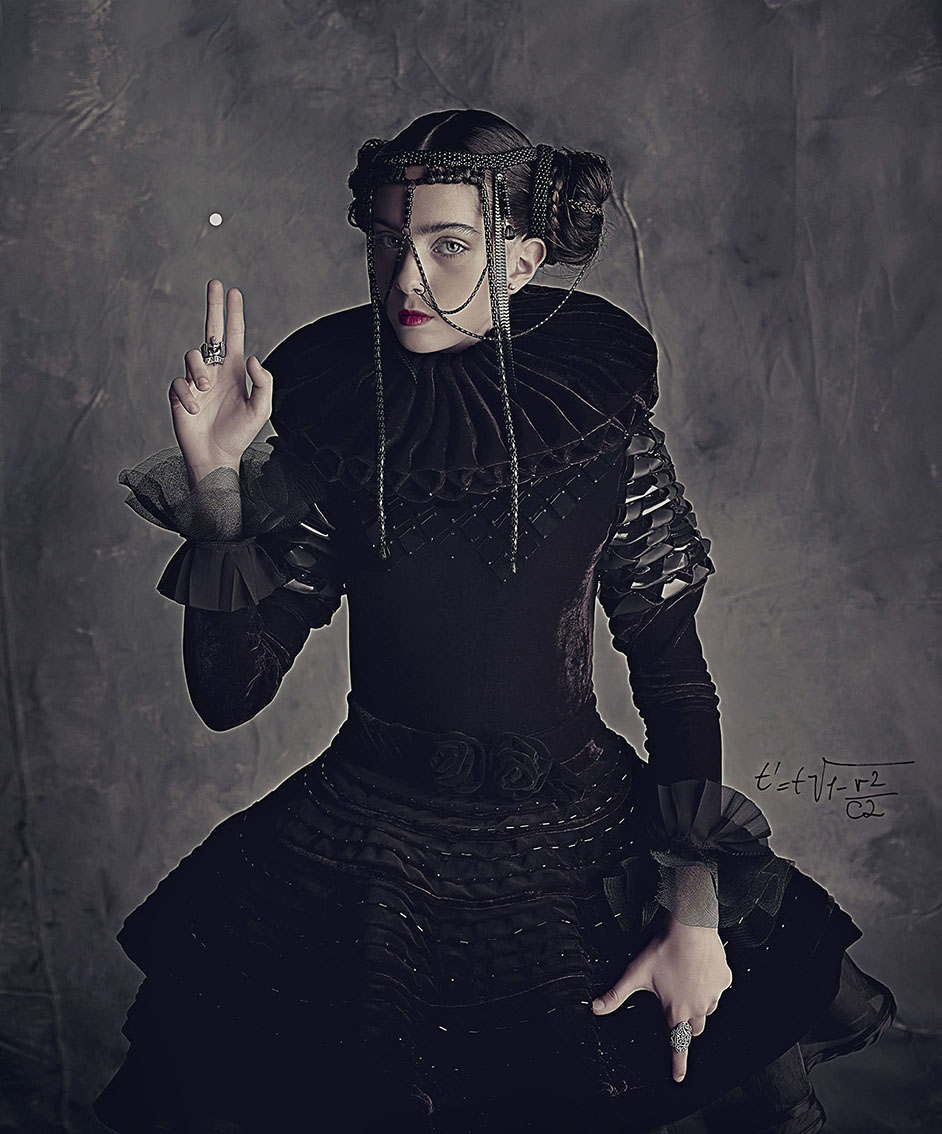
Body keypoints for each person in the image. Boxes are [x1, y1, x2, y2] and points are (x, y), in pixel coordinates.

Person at [94, 109, 894, 1134]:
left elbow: (674, 677)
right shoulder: (338, 429)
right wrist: (216, 485)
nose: (406, 277)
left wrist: (693, 911)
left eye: (448, 245)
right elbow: (228, 692)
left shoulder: (601, 430)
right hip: (366, 846)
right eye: (390, 242)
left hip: (580, 833)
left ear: (521, 259)